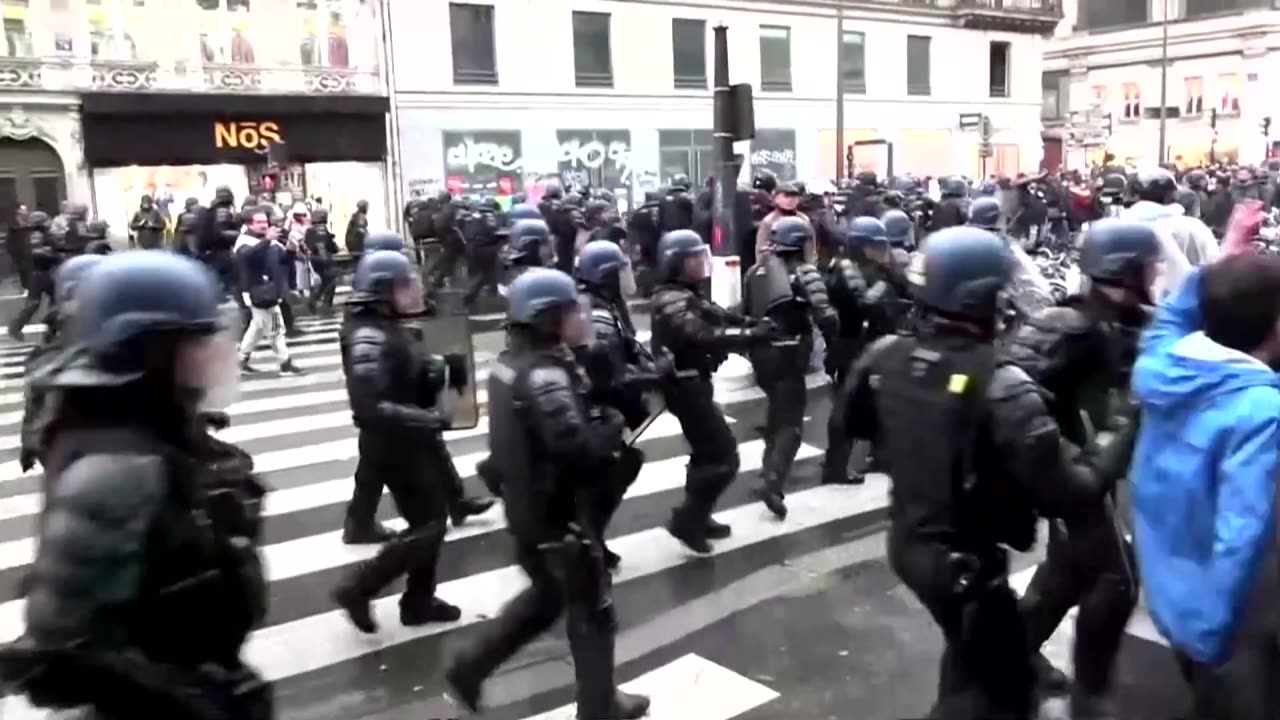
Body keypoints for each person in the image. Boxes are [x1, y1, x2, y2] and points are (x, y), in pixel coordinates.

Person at [838, 226, 1136, 720]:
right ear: (982, 298)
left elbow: (852, 423)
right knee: (1001, 694)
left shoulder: (884, 354)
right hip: (967, 568)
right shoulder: (1002, 386)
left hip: (908, 542)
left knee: (969, 657)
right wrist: (1127, 431)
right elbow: (1075, 492)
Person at [0, 251, 271, 720]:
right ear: (154, 351)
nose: (216, 351)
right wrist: (184, 699)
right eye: (199, 339)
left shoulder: (165, 434)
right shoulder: (116, 467)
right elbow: (62, 649)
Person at [445, 267, 650, 720]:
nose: (581, 317)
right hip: (558, 514)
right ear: (547, 318)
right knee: (593, 610)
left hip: (529, 507)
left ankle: (470, 667)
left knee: (546, 600)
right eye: (571, 310)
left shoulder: (511, 364)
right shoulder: (544, 375)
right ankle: (600, 707)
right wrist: (611, 429)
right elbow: (576, 451)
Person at [1003, 219, 1161, 716]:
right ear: (1127, 271)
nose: (1155, 275)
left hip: (1088, 471)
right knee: (1115, 582)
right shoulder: (1069, 325)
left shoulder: (1118, 319)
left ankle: (1010, 659)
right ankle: (1090, 695)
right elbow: (1011, 393)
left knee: (1065, 576)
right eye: (1148, 268)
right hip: (1071, 476)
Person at [1130, 212, 1280, 720]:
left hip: (1173, 597)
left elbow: (1174, 316)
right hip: (1226, 629)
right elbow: (1243, 534)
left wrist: (1225, 258)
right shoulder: (1261, 411)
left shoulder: (1163, 363)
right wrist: (1214, 639)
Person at [331, 248, 466, 630]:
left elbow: (401, 372)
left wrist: (436, 369)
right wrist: (428, 419)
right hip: (393, 442)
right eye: (408, 283)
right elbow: (369, 406)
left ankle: (419, 601)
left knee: (432, 518)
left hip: (404, 438)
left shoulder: (383, 325)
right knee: (429, 525)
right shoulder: (369, 337)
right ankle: (361, 586)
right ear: (385, 290)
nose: (417, 289)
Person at [649, 230, 779, 553]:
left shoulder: (686, 293)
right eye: (693, 258)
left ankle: (699, 515)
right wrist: (748, 336)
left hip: (694, 382)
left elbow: (718, 316)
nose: (700, 263)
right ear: (675, 263)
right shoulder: (671, 298)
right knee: (723, 457)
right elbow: (702, 334)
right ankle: (687, 519)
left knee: (706, 453)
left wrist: (753, 323)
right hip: (685, 385)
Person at [744, 216, 837, 518]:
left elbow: (745, 312)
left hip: (761, 355)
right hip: (789, 354)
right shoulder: (805, 272)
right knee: (790, 425)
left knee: (775, 415)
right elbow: (825, 315)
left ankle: (766, 474)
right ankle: (773, 484)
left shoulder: (756, 271)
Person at [234, 208, 302, 375]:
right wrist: (266, 240)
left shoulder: (269, 242)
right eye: (259, 222)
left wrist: (292, 248)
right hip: (256, 291)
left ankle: (240, 361)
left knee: (257, 328)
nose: (264, 225)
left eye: (265, 221)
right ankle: (285, 363)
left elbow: (282, 261)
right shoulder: (244, 242)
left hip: (269, 290)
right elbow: (247, 257)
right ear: (249, 224)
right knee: (277, 329)